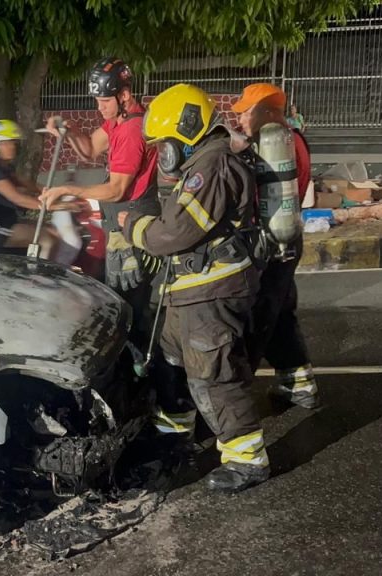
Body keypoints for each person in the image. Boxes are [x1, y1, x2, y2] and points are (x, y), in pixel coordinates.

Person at [119, 83, 267, 493]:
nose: (161, 153)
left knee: (212, 372)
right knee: (170, 358)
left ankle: (246, 457)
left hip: (212, 289)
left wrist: (132, 227)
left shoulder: (212, 166)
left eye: (163, 143)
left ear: (185, 130)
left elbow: (176, 233)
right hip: (191, 289)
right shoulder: (202, 162)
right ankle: (174, 430)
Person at [233, 83, 319, 410]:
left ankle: (234, 400)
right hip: (287, 237)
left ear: (268, 111)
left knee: (257, 318)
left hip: (268, 241)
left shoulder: (273, 145)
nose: (239, 116)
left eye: (246, 111)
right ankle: (298, 383)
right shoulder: (294, 140)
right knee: (281, 314)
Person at [40, 57, 159, 294]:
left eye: (105, 100)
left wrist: (66, 190)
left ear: (124, 96)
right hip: (120, 225)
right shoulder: (117, 121)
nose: (99, 107)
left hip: (134, 226)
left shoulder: (131, 131)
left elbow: (116, 190)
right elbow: (91, 149)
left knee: (133, 299)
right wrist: (69, 129)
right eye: (97, 100)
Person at [0, 119, 66, 264]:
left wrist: (59, 193)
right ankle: (40, 280)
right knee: (47, 239)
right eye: (7, 142)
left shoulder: (5, 167)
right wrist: (54, 206)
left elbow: (29, 185)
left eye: (13, 142)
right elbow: (17, 198)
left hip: (7, 221)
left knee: (54, 230)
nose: (13, 146)